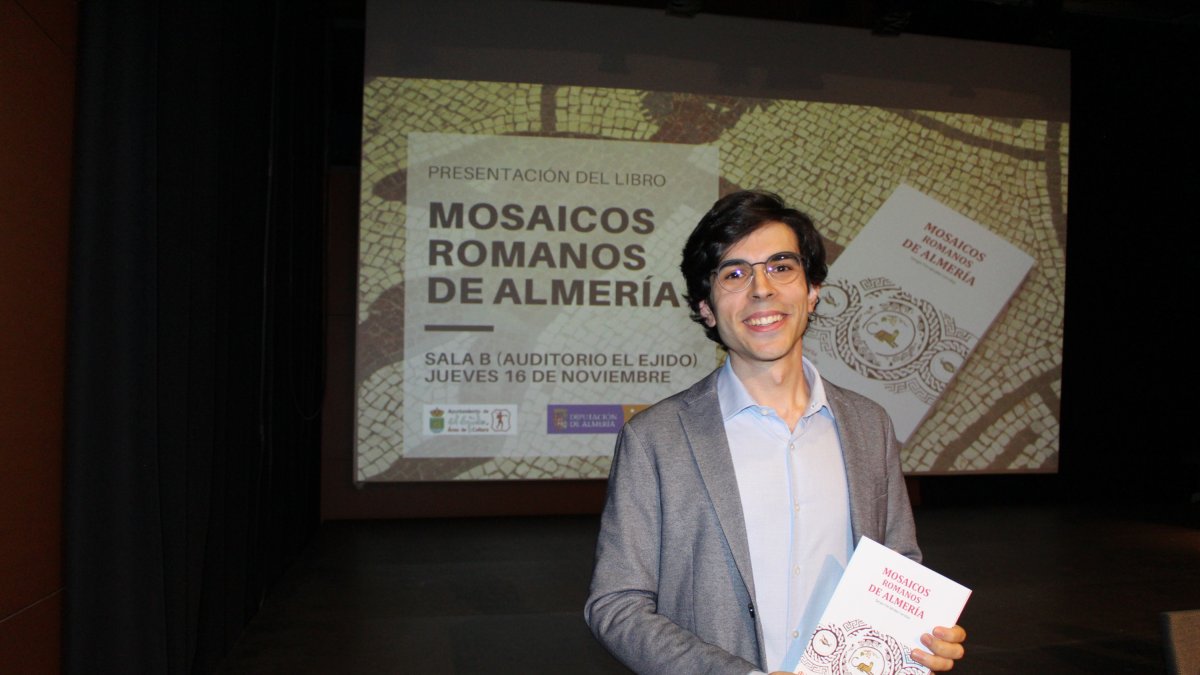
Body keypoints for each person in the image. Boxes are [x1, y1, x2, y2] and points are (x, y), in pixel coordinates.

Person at [584, 190, 967, 674]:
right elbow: (617, 605)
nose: (762, 289)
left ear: (812, 291)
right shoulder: (656, 439)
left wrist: (923, 636)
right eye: (735, 273)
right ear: (706, 306)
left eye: (782, 267)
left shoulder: (869, 425)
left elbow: (898, 571)